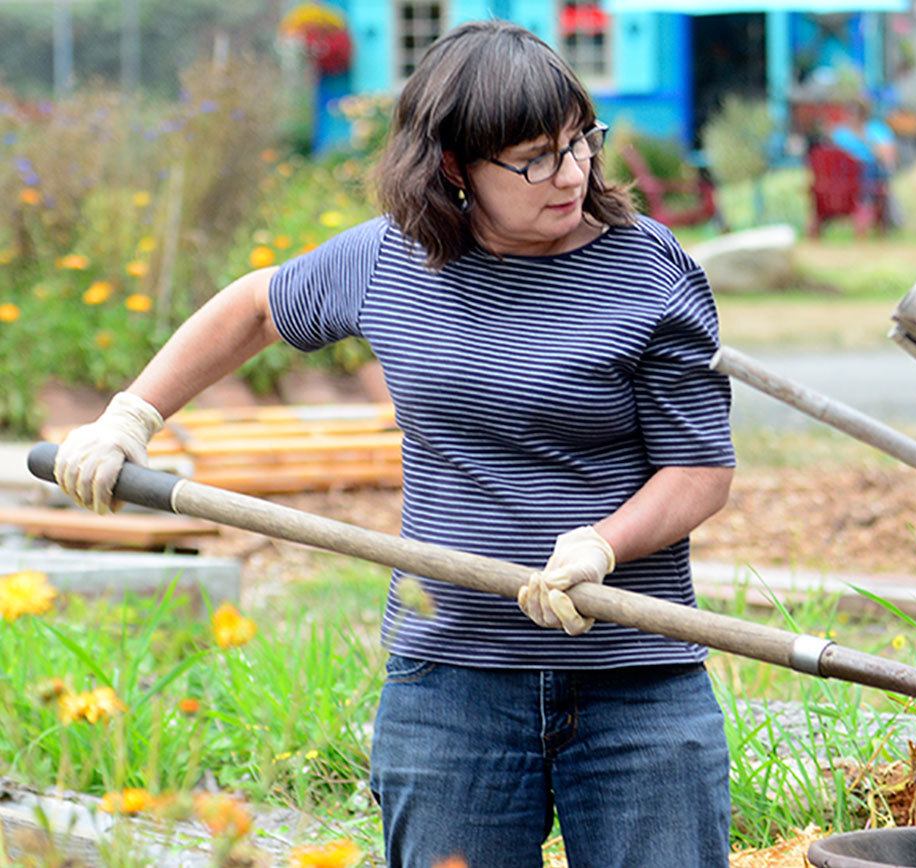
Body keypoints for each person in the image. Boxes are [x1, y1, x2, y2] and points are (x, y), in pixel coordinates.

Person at [51, 20, 735, 868]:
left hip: (638, 675)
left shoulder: (647, 270)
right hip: (453, 686)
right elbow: (257, 307)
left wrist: (603, 544)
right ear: (453, 167)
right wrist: (131, 415)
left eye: (579, 142)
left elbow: (700, 470)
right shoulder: (393, 262)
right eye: (533, 157)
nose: (571, 173)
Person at [827, 93, 898, 231]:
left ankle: (870, 216)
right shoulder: (839, 134)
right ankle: (866, 216)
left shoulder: (876, 130)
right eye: (851, 111)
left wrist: (865, 139)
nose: (854, 115)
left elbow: (888, 157)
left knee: (871, 170)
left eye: (858, 111)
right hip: (843, 180)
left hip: (869, 175)